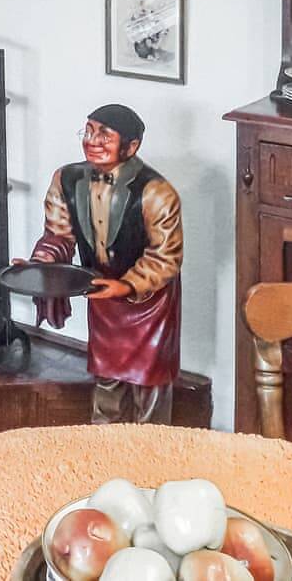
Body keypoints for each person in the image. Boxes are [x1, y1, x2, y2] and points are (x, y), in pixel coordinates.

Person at [25, 104, 183, 424]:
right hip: (101, 295)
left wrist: (126, 285)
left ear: (131, 146)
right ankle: (103, 443)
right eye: (88, 131)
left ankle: (153, 448)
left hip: (148, 302)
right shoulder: (66, 179)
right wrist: (41, 263)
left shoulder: (157, 192)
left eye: (104, 135)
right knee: (107, 377)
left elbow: (165, 256)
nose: (92, 141)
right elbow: (59, 235)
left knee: (150, 384)